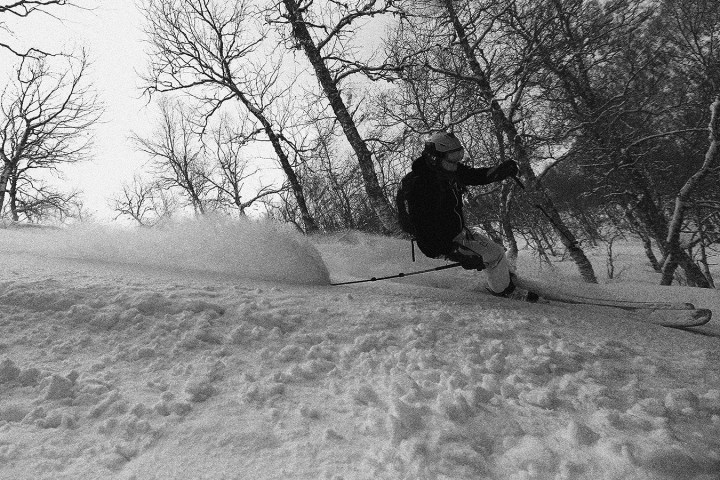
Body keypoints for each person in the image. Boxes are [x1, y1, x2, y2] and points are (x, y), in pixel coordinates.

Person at [406, 131, 522, 297]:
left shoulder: (446, 170)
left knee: (496, 252)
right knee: (495, 255)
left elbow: (472, 175)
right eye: (453, 157)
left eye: (459, 154)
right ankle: (503, 292)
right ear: (435, 157)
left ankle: (502, 282)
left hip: (457, 233)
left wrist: (498, 171)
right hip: (441, 242)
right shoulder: (421, 186)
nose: (458, 161)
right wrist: (453, 251)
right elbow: (422, 229)